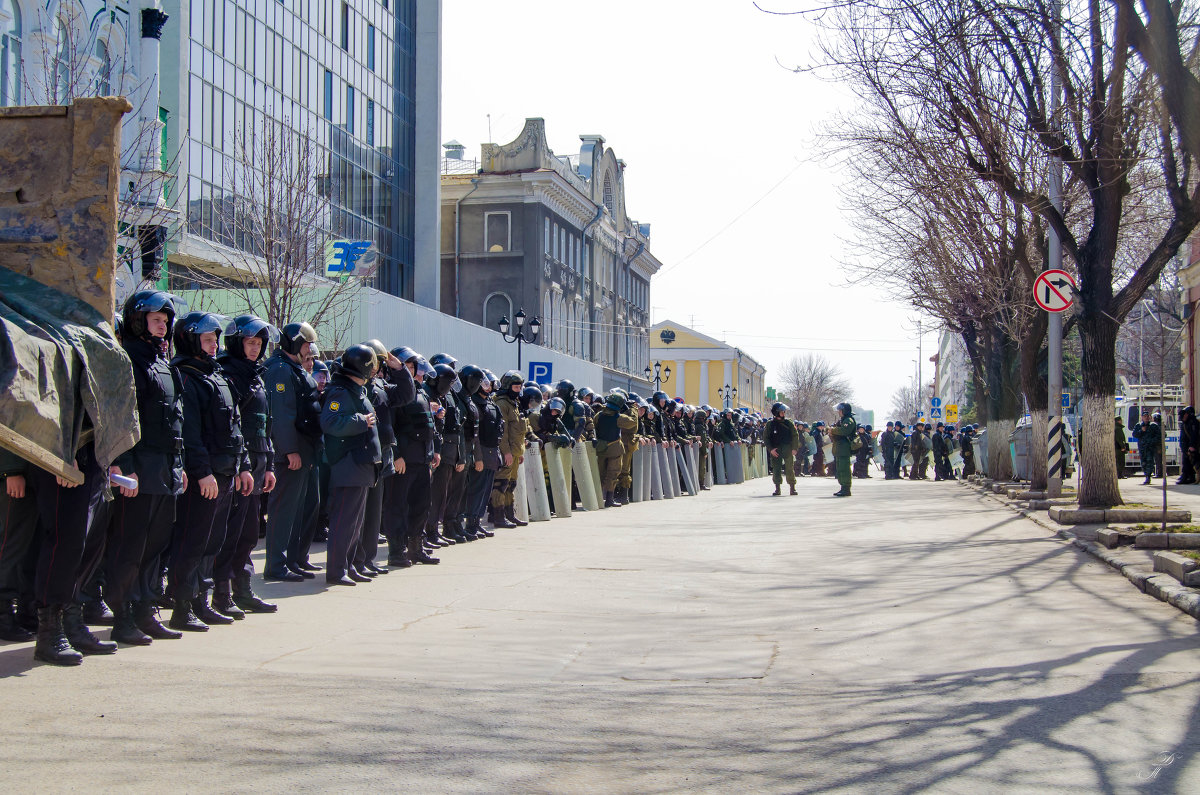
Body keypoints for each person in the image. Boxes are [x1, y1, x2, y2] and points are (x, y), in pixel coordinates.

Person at [168, 312, 253, 632]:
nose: (214, 345)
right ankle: (181, 606)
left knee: (212, 543)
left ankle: (201, 601)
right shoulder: (187, 376)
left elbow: (234, 426)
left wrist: (243, 465)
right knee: (192, 542)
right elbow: (189, 432)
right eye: (207, 340)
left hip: (226, 472)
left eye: (215, 339)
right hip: (205, 477)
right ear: (190, 340)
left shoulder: (215, 375)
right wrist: (202, 472)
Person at [212, 315, 279, 619]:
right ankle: (222, 593)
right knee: (231, 533)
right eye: (250, 342)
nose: (255, 349)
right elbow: (231, 425)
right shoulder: (229, 373)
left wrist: (269, 464)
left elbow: (265, 426)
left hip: (258, 461)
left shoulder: (256, 374)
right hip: (239, 465)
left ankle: (243, 589)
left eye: (259, 343)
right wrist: (242, 465)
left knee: (250, 532)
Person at [263, 321, 322, 582]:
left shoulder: (292, 369)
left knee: (298, 510)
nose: (310, 350)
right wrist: (289, 451)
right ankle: (276, 564)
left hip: (304, 450)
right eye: (307, 344)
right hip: (291, 453)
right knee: (284, 510)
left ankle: (292, 560)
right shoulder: (279, 370)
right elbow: (281, 415)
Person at [321, 345, 383, 586]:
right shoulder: (340, 392)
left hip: (361, 465)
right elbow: (330, 422)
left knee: (355, 523)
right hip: (349, 465)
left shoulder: (356, 390)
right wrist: (361, 420)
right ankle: (337, 571)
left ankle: (349, 565)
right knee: (343, 522)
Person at [489, 371, 528, 528]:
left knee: (510, 484)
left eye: (519, 387)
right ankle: (498, 516)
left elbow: (518, 431)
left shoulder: (514, 404)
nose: (518, 390)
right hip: (507, 452)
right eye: (515, 387)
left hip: (514, 452)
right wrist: (506, 452)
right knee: (501, 484)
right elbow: (503, 433)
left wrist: (519, 452)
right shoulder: (502, 404)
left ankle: (509, 514)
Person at [594, 392, 638, 507]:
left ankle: (597, 500)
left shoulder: (598, 415)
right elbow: (633, 423)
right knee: (613, 474)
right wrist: (632, 409)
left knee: (600, 474)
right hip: (615, 448)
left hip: (600, 448)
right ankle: (609, 500)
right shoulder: (619, 418)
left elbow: (594, 428)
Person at [764, 402, 799, 495]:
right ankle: (777, 488)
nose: (783, 413)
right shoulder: (770, 424)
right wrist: (771, 449)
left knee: (789, 468)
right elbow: (766, 438)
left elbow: (795, 435)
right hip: (776, 450)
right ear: (776, 412)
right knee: (776, 469)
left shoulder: (789, 423)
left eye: (784, 411)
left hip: (787, 448)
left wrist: (794, 448)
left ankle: (792, 488)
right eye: (781, 412)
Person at [829, 403, 857, 497]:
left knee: (844, 468)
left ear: (845, 411)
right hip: (839, 448)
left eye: (840, 410)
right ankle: (843, 487)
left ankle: (846, 488)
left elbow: (844, 431)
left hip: (844, 448)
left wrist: (833, 430)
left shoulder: (848, 420)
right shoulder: (843, 420)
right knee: (840, 469)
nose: (839, 412)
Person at [1132, 410, 1161, 485]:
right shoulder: (1138, 425)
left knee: (1150, 462)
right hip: (1142, 448)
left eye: (1147, 416)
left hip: (1150, 448)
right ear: (1142, 417)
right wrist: (1141, 431)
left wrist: (1152, 442)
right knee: (1143, 462)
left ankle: (1148, 476)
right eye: (1144, 416)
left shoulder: (1153, 425)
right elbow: (1135, 434)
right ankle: (1146, 474)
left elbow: (1158, 436)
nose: (1146, 418)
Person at [1178, 406, 1199, 485]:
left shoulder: (1193, 422)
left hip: (1190, 447)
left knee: (1188, 463)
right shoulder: (1186, 423)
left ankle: (1187, 477)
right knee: (1187, 462)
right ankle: (1189, 477)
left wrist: (1192, 445)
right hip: (1186, 447)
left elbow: (1194, 435)